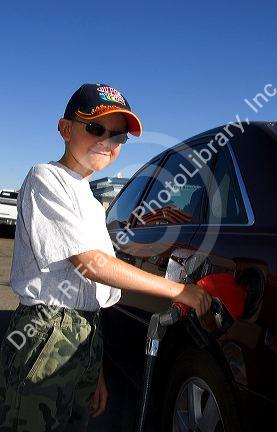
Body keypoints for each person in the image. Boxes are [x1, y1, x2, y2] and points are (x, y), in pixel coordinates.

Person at [0, 83, 212, 432]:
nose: (107, 141)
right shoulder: (46, 177)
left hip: (84, 332)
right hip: (45, 330)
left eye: (118, 137)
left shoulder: (88, 198)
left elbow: (91, 293)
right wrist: (177, 290)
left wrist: (94, 367)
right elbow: (92, 264)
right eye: (96, 128)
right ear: (66, 129)